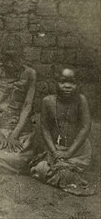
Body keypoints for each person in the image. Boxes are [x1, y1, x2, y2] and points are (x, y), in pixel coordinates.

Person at [30, 66, 94, 196]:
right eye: (63, 81)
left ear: (78, 84)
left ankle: (66, 173)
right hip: (56, 150)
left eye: (72, 82)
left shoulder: (81, 100)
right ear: (55, 83)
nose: (67, 86)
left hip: (77, 152)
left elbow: (85, 127)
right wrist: (54, 152)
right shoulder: (47, 101)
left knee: (55, 170)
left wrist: (69, 153)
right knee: (39, 169)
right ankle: (65, 175)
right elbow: (45, 128)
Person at [0, 40, 36, 173]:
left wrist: (14, 135)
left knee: (19, 155)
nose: (9, 63)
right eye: (6, 58)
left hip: (20, 128)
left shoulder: (30, 73)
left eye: (14, 59)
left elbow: (27, 106)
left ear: (21, 57)